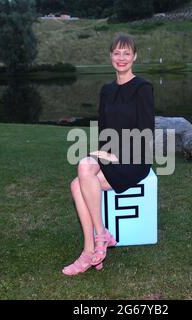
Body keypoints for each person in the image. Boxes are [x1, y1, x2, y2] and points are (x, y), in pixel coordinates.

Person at [62, 34, 155, 276]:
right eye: (116, 53)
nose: (121, 58)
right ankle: (94, 246)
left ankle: (95, 243)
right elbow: (105, 130)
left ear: (135, 56)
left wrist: (117, 156)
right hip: (111, 155)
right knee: (79, 180)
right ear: (110, 57)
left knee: (80, 175)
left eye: (126, 53)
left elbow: (146, 132)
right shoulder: (106, 90)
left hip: (135, 158)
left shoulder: (143, 88)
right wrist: (105, 153)